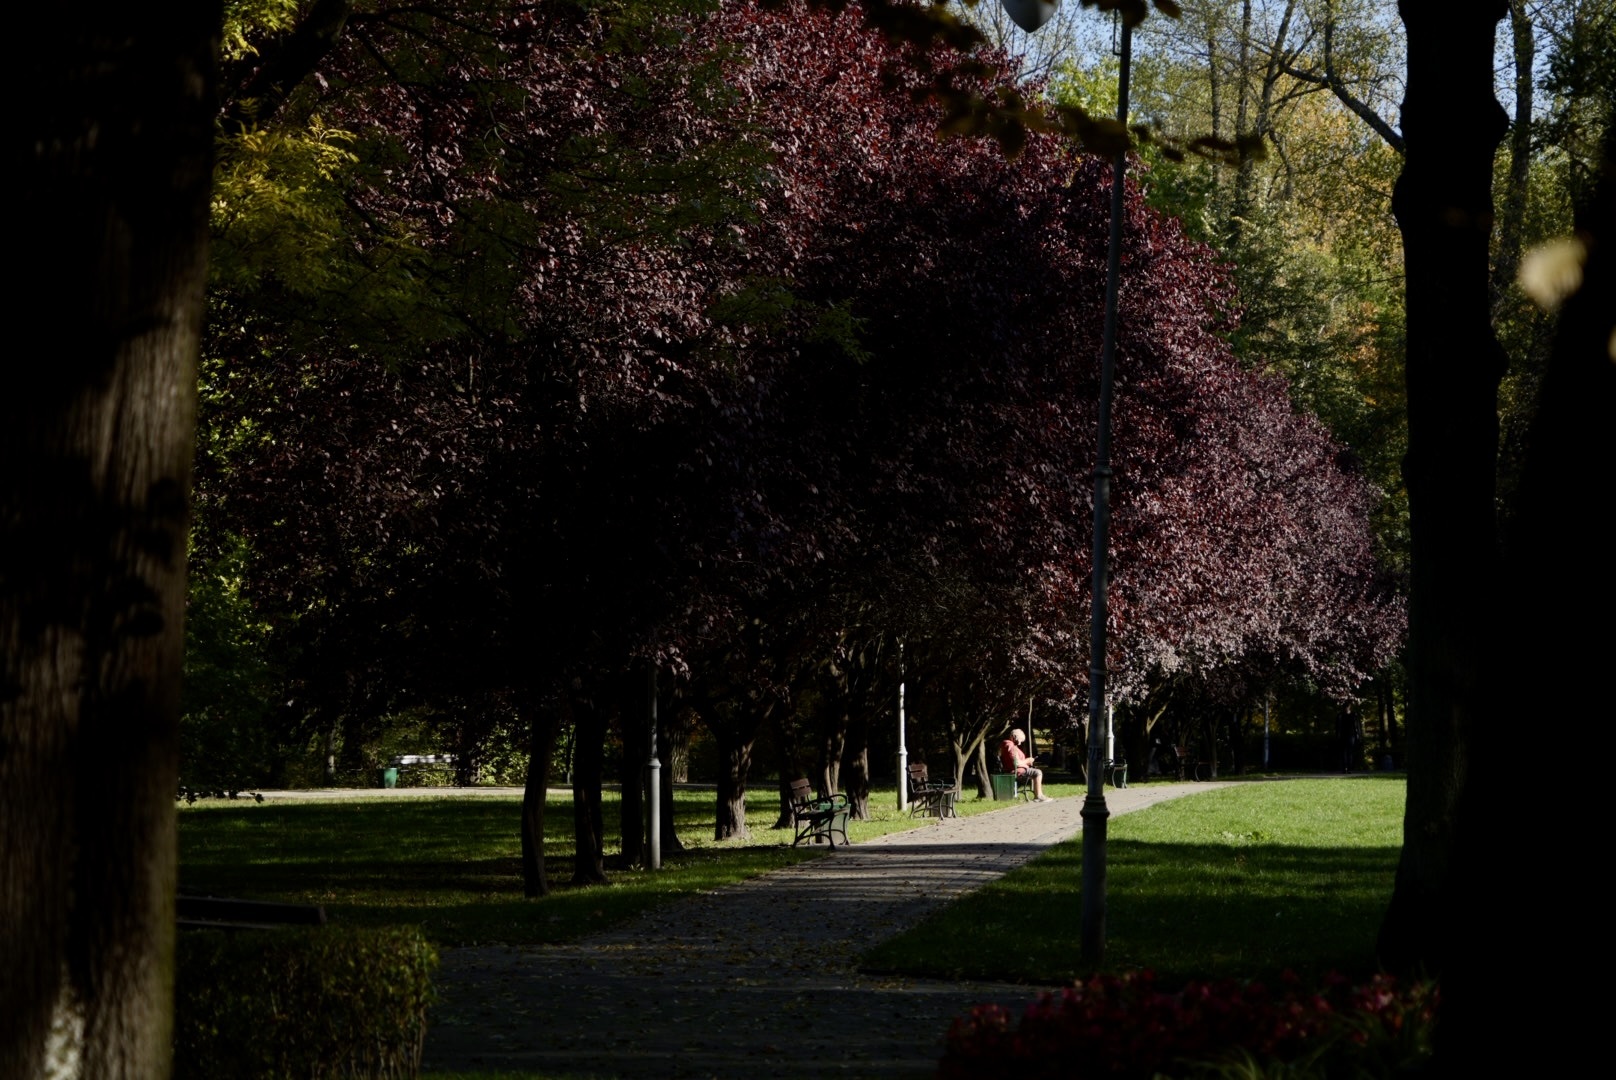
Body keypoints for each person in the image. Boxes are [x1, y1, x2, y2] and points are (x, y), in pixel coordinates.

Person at [999, 728, 1051, 802]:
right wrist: (1027, 761)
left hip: (1014, 770)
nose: (1020, 743)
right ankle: (1038, 796)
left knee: (1035, 771)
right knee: (1037, 772)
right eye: (1020, 740)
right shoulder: (1010, 745)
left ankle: (1038, 795)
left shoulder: (1009, 745)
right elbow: (1016, 763)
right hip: (1017, 772)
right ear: (1014, 737)